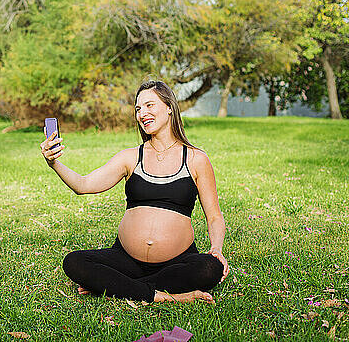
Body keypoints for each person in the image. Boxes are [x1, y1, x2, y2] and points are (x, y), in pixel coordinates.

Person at [40, 80, 229, 304]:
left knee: (209, 269)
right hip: (126, 259)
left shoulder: (196, 159)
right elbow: (83, 185)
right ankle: (163, 295)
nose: (142, 114)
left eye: (150, 105)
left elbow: (215, 216)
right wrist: (54, 164)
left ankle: (116, 285)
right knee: (74, 262)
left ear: (169, 107)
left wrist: (216, 248)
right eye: (138, 109)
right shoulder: (130, 157)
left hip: (176, 261)